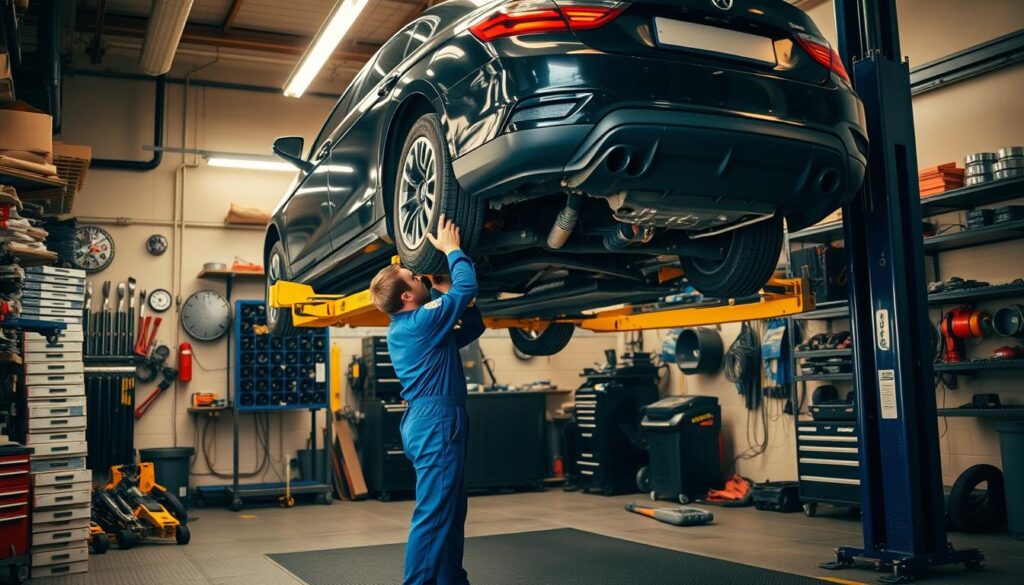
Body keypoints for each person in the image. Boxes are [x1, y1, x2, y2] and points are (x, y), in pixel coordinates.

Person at [369, 214, 485, 585]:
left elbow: (472, 325)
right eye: (414, 279)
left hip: (432, 418)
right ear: (406, 296)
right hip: (435, 420)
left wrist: (441, 289)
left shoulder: (410, 327)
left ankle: (451, 580)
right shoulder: (421, 322)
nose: (420, 277)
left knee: (450, 510)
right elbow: (464, 290)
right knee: (435, 513)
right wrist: (453, 251)